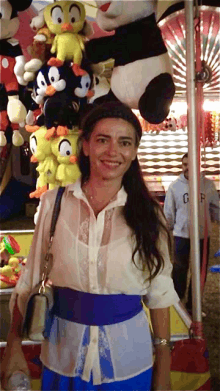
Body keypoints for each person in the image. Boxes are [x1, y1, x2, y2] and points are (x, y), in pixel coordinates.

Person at [1, 101, 179, 391]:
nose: (113, 151)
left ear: (133, 153)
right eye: (102, 140)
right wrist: (13, 346)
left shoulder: (149, 215)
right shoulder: (52, 204)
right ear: (84, 146)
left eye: (124, 142)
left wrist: (163, 369)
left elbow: (159, 294)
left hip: (129, 363)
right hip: (63, 359)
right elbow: (29, 282)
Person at [164, 152, 220, 313]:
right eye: (184, 164)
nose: (188, 167)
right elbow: (169, 212)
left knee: (200, 271)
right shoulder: (175, 186)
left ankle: (194, 305)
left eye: (191, 164)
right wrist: (166, 229)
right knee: (180, 269)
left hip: (203, 236)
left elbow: (216, 208)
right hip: (182, 236)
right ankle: (177, 304)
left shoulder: (208, 185)